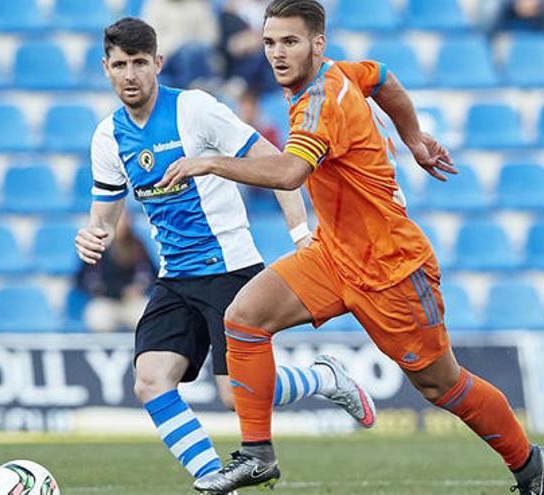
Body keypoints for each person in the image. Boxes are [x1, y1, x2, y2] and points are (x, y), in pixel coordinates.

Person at [156, 1, 544, 493]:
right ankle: (257, 454)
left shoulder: (320, 101)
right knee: (244, 318)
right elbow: (384, 77)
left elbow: (290, 173)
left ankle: (528, 462)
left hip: (391, 270)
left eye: (290, 42)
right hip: (333, 255)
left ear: (317, 43)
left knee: (442, 384)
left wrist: (211, 163)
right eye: (269, 42)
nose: (277, 54)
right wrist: (413, 139)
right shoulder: (337, 73)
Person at [74, 17, 377, 492]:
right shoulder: (107, 138)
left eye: (138, 63)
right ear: (105, 68)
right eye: (119, 65)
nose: (129, 74)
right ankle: (213, 478)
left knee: (239, 396)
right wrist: (93, 235)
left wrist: (301, 233)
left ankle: (322, 377)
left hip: (230, 269)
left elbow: (274, 162)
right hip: (175, 277)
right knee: (151, 380)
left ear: (157, 63)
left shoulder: (195, 110)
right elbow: (105, 216)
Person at [77, 210, 154, 332]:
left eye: (125, 219)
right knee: (98, 316)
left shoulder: (137, 244)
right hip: (106, 300)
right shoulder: (96, 244)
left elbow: (150, 274)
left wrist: (139, 288)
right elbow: (84, 279)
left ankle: (139, 350)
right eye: (118, 220)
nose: (122, 223)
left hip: (132, 301)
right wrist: (114, 291)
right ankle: (102, 351)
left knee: (147, 314)